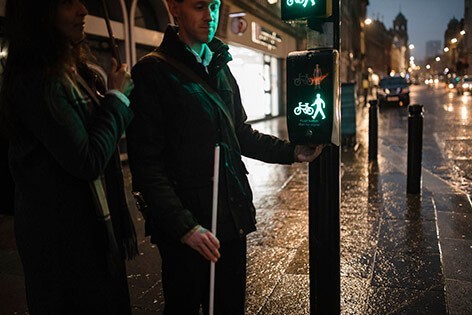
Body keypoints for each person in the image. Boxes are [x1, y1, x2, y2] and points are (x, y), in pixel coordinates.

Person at [126, 0, 324, 313]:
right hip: (189, 228)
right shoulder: (152, 72)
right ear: (174, 8)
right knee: (184, 306)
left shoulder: (220, 66)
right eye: (200, 6)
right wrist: (185, 227)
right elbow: (148, 165)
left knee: (229, 305)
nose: (211, 16)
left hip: (231, 218)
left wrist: (291, 151)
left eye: (215, 6)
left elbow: (241, 133)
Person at [0, 0, 138, 313]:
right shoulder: (37, 79)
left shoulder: (75, 74)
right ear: (40, 15)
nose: (82, 10)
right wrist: (117, 99)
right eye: (66, 3)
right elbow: (87, 160)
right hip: (62, 240)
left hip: (88, 230)